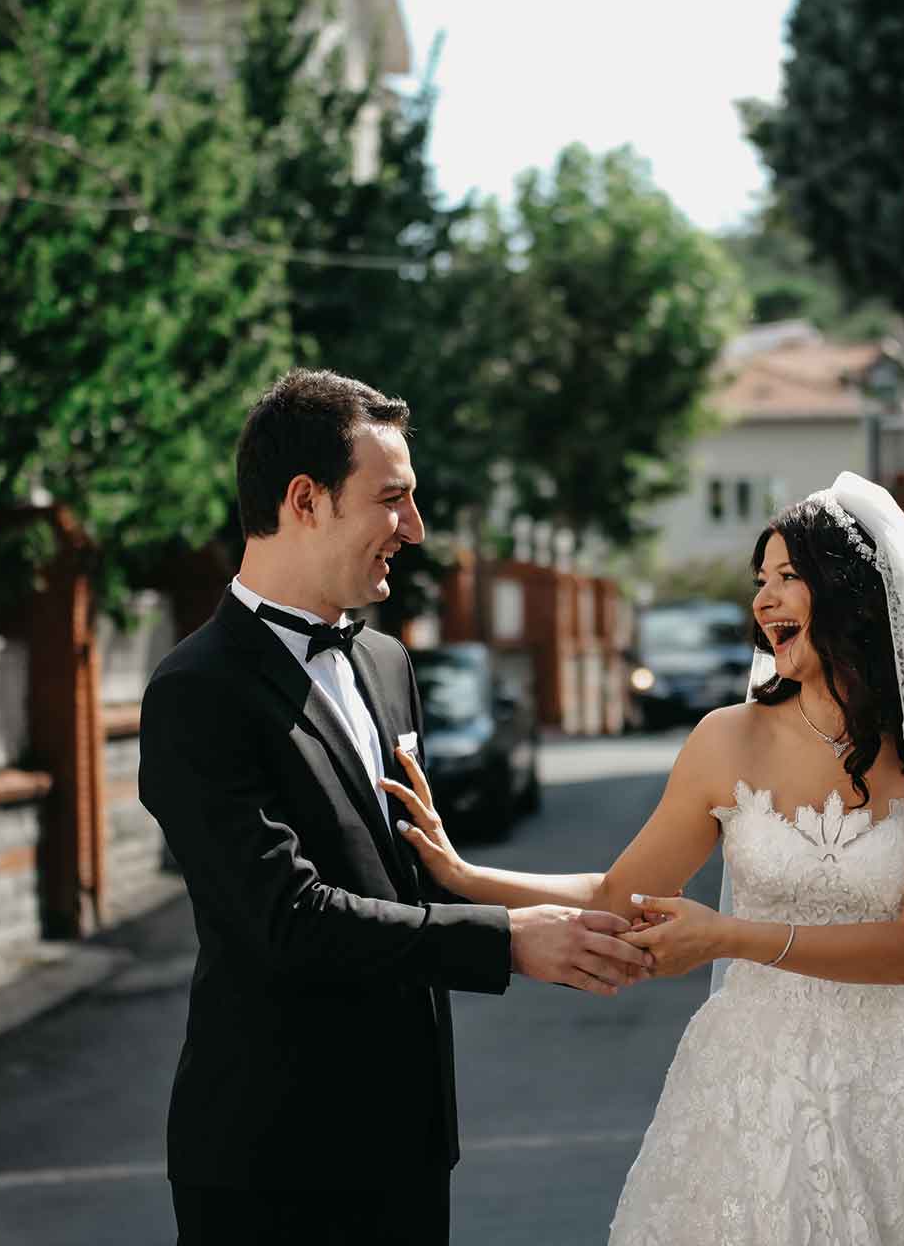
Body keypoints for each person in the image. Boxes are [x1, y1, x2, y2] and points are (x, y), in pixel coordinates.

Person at [389, 471, 904, 1244]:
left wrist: (726, 936)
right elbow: (620, 890)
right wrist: (466, 876)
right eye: (761, 580)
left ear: (852, 595)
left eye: (789, 577)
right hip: (757, 1086)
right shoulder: (727, 739)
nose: (762, 600)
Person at [138, 369, 652, 1246]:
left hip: (408, 1141)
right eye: (393, 501)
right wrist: (509, 946)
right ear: (305, 500)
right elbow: (285, 917)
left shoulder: (386, 665)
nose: (412, 531)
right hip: (272, 1161)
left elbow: (413, 879)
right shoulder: (196, 691)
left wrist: (585, 912)